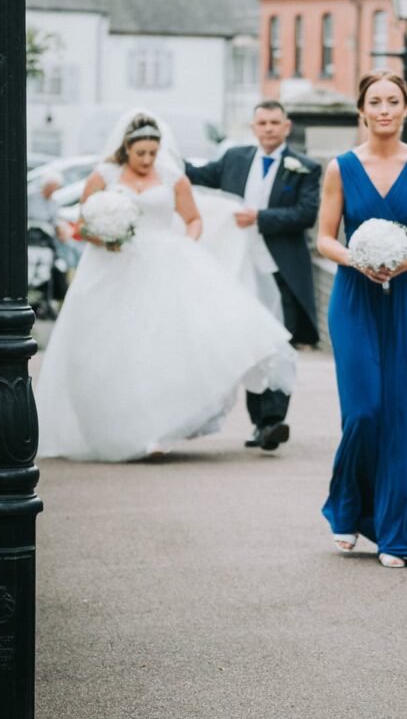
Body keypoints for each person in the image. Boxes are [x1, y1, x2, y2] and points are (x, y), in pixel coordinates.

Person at [36, 112, 292, 462]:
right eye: (140, 153)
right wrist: (103, 236)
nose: (146, 160)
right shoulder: (104, 176)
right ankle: (108, 428)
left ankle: (153, 429)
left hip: (160, 265)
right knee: (105, 351)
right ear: (126, 148)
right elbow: (82, 223)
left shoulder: (172, 177)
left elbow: (193, 219)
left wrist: (187, 244)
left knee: (155, 349)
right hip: (109, 269)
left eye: (152, 154)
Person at [317, 74, 407, 568]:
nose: (385, 109)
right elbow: (325, 237)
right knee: (365, 410)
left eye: (394, 101)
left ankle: (398, 532)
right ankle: (346, 507)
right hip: (355, 298)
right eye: (376, 101)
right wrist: (356, 258)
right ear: (362, 110)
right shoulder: (341, 167)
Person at [186, 101, 322, 451]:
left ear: (287, 126)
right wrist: (164, 158)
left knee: (279, 344)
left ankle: (272, 421)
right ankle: (261, 423)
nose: (269, 128)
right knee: (250, 345)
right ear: (253, 126)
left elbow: (305, 214)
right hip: (239, 272)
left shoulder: (304, 167)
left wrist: (260, 217)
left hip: (282, 273)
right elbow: (197, 176)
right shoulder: (234, 159)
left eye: (275, 122)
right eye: (262, 122)